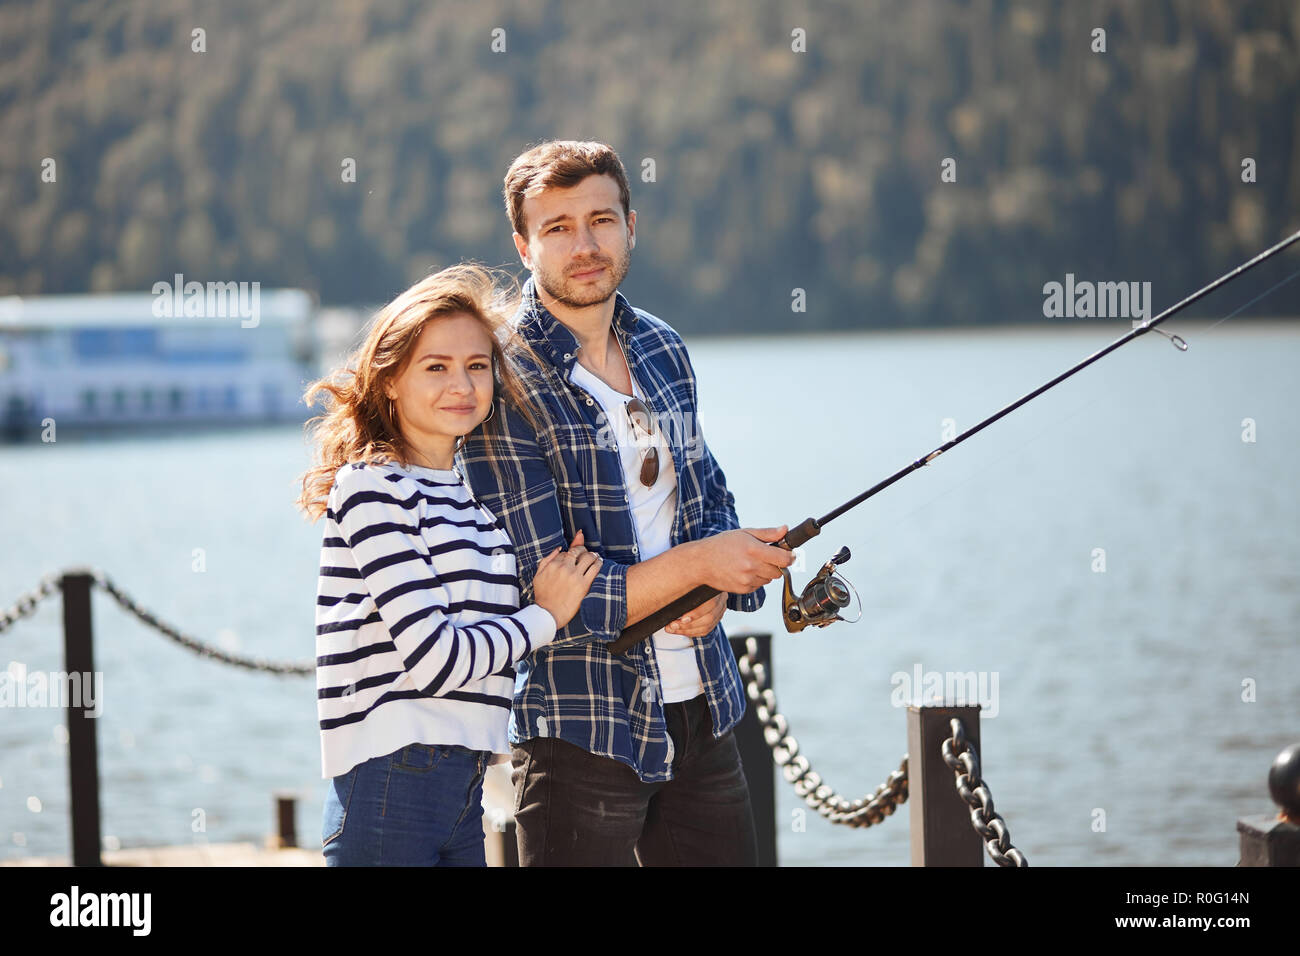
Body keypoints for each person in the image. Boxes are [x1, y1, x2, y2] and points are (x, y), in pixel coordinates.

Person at [457, 141, 795, 866]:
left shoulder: (664, 348)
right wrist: (700, 563)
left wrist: (713, 584)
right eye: (557, 228)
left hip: (704, 709)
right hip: (579, 727)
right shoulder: (502, 382)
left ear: (630, 225)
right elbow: (556, 592)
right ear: (523, 245)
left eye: (601, 220)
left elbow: (710, 496)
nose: (585, 245)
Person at [295, 264, 600, 866]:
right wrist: (546, 616)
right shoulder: (371, 487)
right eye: (436, 367)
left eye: (477, 366)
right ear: (389, 380)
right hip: (390, 786)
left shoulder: (474, 506)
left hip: (466, 789)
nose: (461, 384)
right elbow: (437, 662)